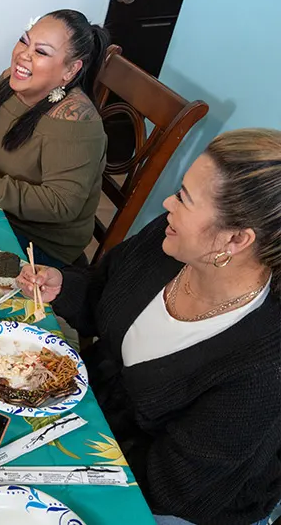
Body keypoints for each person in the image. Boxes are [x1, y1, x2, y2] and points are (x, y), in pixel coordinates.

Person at [18, 129, 281, 525]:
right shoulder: (170, 240)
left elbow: (171, 485)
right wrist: (62, 285)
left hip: (161, 494)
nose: (167, 203)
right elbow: (101, 294)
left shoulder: (262, 365)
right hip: (91, 414)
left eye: (185, 199)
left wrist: (51, 450)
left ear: (236, 239)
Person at [0, 10, 110, 267]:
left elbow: (61, 204)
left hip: (39, 242)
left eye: (42, 52)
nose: (23, 55)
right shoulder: (11, 81)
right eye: (25, 41)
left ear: (70, 70)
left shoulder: (76, 122)